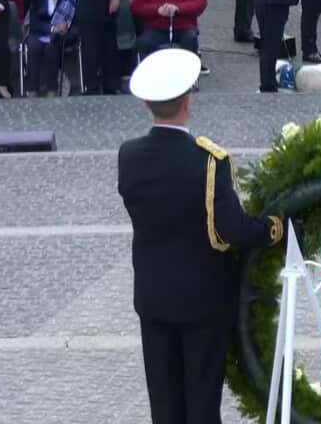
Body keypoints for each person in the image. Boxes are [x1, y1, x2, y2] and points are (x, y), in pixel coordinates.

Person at [119, 48, 283, 424]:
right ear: (188, 102)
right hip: (202, 302)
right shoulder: (209, 161)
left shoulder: (128, 156)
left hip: (153, 299)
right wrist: (274, 226)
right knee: (202, 403)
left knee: (164, 403)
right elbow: (231, 229)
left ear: (146, 102)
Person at [25, 0, 76, 97]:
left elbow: (75, 21)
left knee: (51, 47)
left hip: (62, 34)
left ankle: (52, 89)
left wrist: (63, 28)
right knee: (34, 47)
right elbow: (34, 22)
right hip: (41, 31)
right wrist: (52, 28)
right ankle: (32, 89)